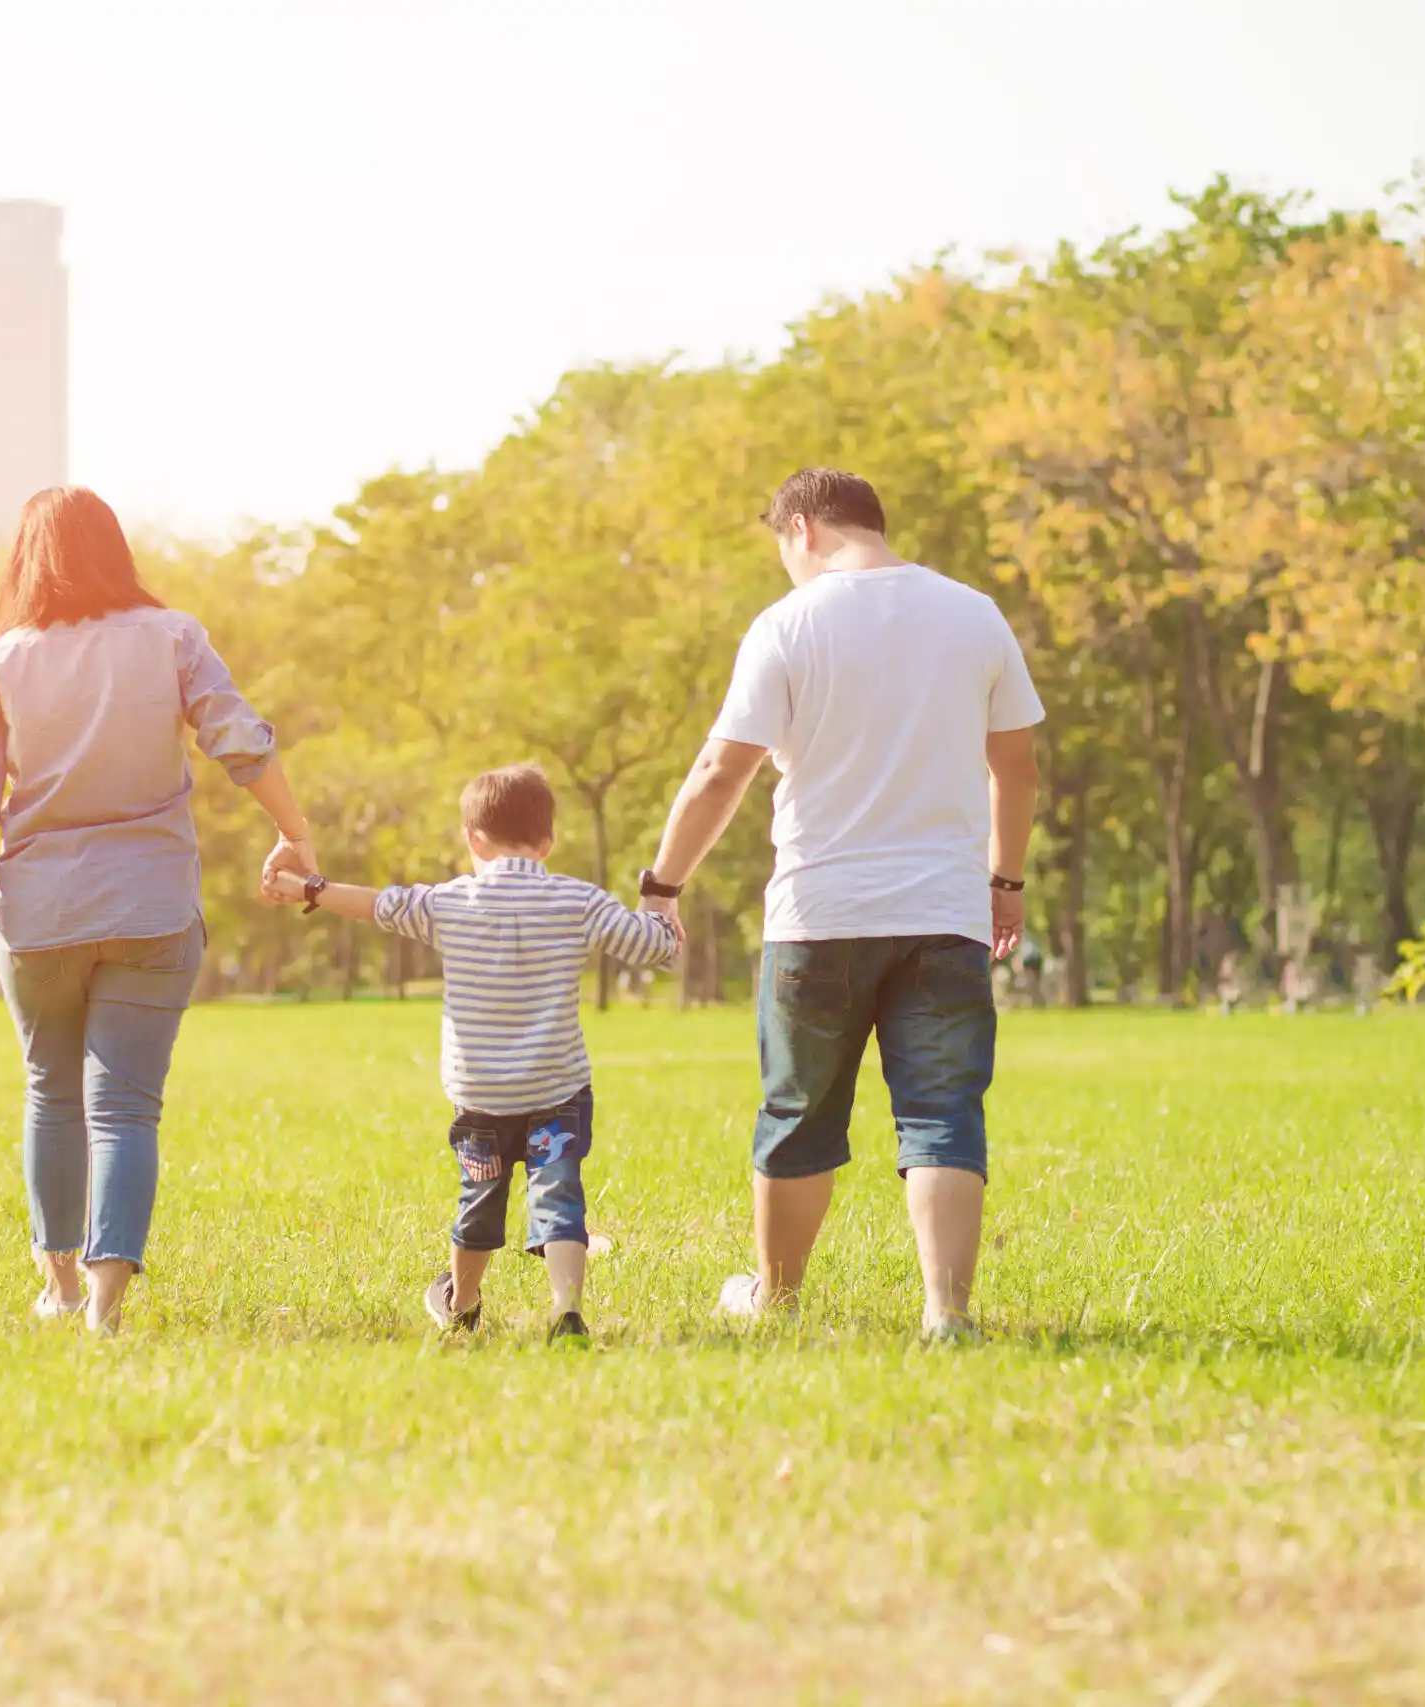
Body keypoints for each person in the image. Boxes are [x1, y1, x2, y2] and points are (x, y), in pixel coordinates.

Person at [637, 468, 1043, 1342]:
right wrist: (1004, 881)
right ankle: (947, 1314)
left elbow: (721, 772)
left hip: (819, 913)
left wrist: (664, 882)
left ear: (803, 531)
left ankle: (777, 1300)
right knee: (942, 1113)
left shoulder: (789, 624)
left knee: (798, 1111)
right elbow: (1015, 766)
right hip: (944, 910)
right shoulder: (974, 614)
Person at [0, 486, 315, 1335]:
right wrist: (294, 832)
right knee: (125, 1107)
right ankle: (104, 1307)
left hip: (40, 917)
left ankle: (55, 1289)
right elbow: (239, 738)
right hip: (152, 909)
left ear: (25, 562)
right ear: (115, 551)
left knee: (52, 1092)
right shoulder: (172, 638)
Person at [266, 763, 679, 1342]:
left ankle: (460, 1301)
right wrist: (662, 903)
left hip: (481, 1098)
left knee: (480, 1195)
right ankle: (566, 1311)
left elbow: (374, 904)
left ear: (472, 838)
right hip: (556, 1091)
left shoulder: (448, 902)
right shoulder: (577, 901)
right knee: (558, 1192)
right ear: (549, 840)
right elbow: (654, 947)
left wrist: (306, 888)